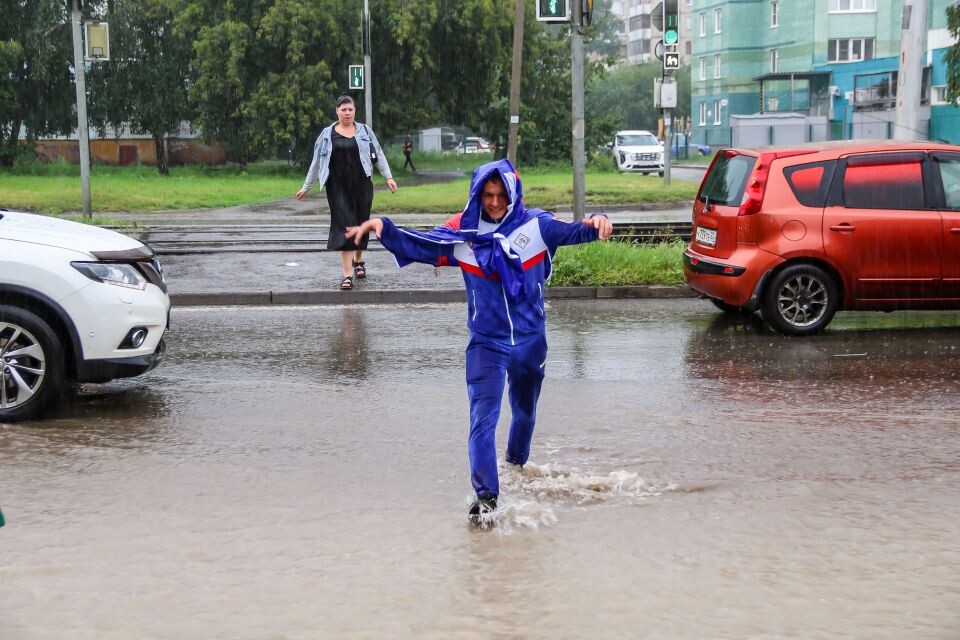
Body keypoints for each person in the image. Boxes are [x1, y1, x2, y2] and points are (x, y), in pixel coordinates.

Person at [346, 158, 612, 525]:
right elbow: (425, 244)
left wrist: (597, 223)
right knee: (482, 420)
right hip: (486, 343)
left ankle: (516, 464)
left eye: (501, 195)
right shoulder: (462, 233)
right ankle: (487, 498)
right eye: (487, 195)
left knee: (524, 412)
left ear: (514, 192)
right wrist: (384, 228)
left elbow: (576, 231)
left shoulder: (537, 226)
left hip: (531, 341)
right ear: (477, 194)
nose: (494, 202)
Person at [296, 95, 398, 290]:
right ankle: (346, 275)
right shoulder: (327, 134)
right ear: (337, 111)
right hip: (337, 187)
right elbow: (317, 162)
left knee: (360, 223)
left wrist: (388, 177)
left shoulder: (365, 131)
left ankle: (358, 260)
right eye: (343, 110)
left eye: (350, 109)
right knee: (344, 226)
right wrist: (306, 186)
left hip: (362, 184)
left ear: (354, 111)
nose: (347, 113)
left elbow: (378, 153)